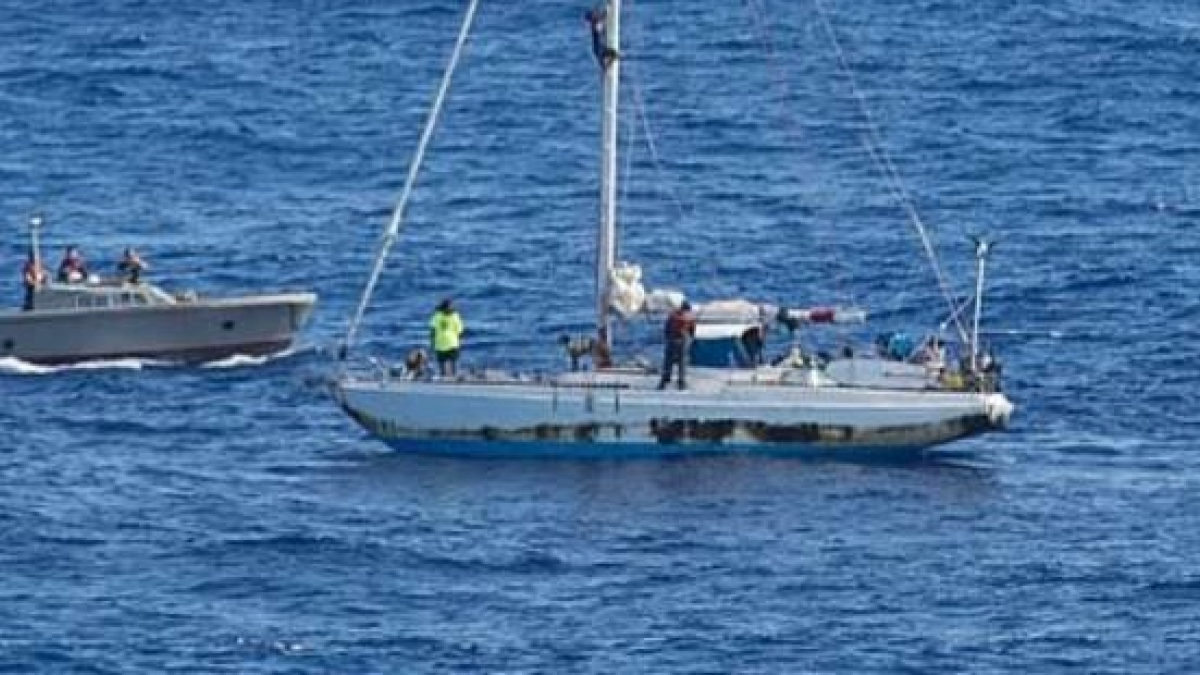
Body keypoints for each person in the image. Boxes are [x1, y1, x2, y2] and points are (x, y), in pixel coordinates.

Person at [658, 301, 697, 390]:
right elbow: (692, 330)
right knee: (682, 363)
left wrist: (667, 337)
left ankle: (664, 381)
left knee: (668, 362)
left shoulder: (672, 316)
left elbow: (667, 328)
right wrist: (690, 339)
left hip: (672, 339)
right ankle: (681, 382)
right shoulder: (689, 317)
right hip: (683, 340)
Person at [428, 298, 464, 377]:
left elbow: (432, 330)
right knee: (453, 362)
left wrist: (432, 342)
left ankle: (443, 377)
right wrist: (460, 341)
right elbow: (460, 330)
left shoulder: (437, 316)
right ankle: (454, 376)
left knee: (442, 363)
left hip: (440, 343)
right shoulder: (455, 316)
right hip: (452, 343)